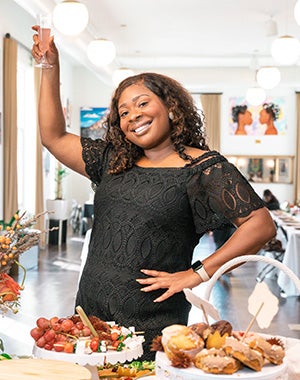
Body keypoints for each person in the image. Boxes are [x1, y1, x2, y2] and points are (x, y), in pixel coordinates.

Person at [31, 30, 276, 360]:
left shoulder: (202, 168)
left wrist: (197, 273)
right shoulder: (111, 161)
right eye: (124, 112)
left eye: (142, 103)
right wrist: (49, 66)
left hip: (152, 319)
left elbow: (260, 225)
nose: (133, 115)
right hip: (91, 312)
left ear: (171, 107)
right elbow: (54, 136)